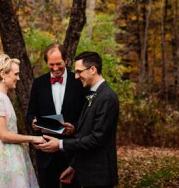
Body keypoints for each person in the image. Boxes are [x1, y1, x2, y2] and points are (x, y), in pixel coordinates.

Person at [35, 51, 119, 188]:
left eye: (79, 72)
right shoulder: (94, 94)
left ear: (93, 69)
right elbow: (85, 132)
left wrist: (60, 144)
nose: (76, 76)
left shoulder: (107, 97)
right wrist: (73, 167)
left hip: (98, 175)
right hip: (86, 171)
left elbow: (96, 139)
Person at [0, 54, 45, 188]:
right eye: (16, 74)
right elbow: (4, 135)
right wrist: (33, 138)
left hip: (12, 154)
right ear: (3, 74)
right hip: (3, 156)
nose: (18, 78)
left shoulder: (3, 97)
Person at [26, 44, 87, 188]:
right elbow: (30, 112)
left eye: (58, 64)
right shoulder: (38, 83)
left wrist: (75, 127)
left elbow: (87, 114)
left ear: (66, 60)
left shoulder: (79, 82)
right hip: (46, 151)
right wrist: (33, 121)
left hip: (72, 151)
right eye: (51, 64)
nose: (55, 68)